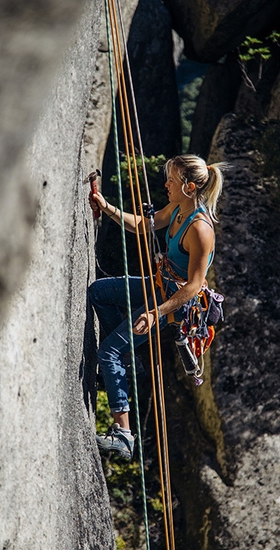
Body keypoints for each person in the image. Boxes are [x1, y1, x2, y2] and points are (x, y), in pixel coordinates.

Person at [88, 154, 226, 460]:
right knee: (99, 292)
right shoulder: (178, 207)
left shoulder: (200, 230)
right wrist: (106, 206)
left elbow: (193, 286)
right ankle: (126, 361)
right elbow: (145, 225)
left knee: (108, 351)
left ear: (189, 187)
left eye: (172, 180)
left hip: (171, 305)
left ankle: (123, 434)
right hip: (157, 285)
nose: (166, 184)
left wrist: (155, 313)